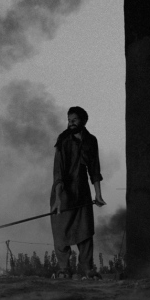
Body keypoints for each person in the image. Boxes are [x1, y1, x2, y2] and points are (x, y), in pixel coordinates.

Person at [50, 106, 106, 279]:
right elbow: (58, 172)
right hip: (64, 193)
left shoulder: (91, 140)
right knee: (61, 232)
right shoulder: (63, 140)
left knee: (85, 231)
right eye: (69, 120)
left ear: (83, 121)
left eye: (74, 119)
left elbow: (94, 169)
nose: (70, 123)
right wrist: (58, 198)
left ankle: (87, 269)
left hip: (82, 192)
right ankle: (63, 268)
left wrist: (98, 195)